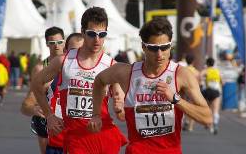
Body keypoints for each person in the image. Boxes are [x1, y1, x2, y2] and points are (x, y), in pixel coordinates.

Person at [88, 17, 212, 154]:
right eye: (153, 48)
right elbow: (99, 81)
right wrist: (96, 114)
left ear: (171, 46)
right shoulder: (126, 72)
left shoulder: (181, 75)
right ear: (143, 47)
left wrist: (176, 99)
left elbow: (207, 118)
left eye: (164, 47)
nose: (160, 54)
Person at [32, 7, 127, 154]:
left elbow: (122, 96)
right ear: (83, 32)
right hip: (77, 138)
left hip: (105, 136)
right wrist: (49, 115)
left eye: (102, 34)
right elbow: (36, 83)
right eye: (91, 34)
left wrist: (120, 105)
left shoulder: (110, 65)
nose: (97, 40)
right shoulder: (64, 61)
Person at [21, 26, 65, 154]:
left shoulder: (73, 64)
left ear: (64, 42)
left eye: (59, 42)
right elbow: (27, 104)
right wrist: (33, 109)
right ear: (47, 44)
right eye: (52, 43)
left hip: (70, 120)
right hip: (47, 123)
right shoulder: (40, 68)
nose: (56, 46)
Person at [201, 57, 222, 135]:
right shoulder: (217, 71)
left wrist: (202, 81)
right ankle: (215, 123)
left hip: (207, 91)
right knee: (215, 109)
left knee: (208, 108)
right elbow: (222, 82)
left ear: (207, 64)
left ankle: (208, 123)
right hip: (216, 91)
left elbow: (199, 76)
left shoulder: (206, 71)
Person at [182, 54, 200, 132]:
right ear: (193, 61)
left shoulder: (182, 70)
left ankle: (184, 121)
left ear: (186, 60)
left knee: (184, 107)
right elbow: (198, 83)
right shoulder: (196, 72)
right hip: (193, 91)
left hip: (184, 90)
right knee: (193, 108)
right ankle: (190, 127)